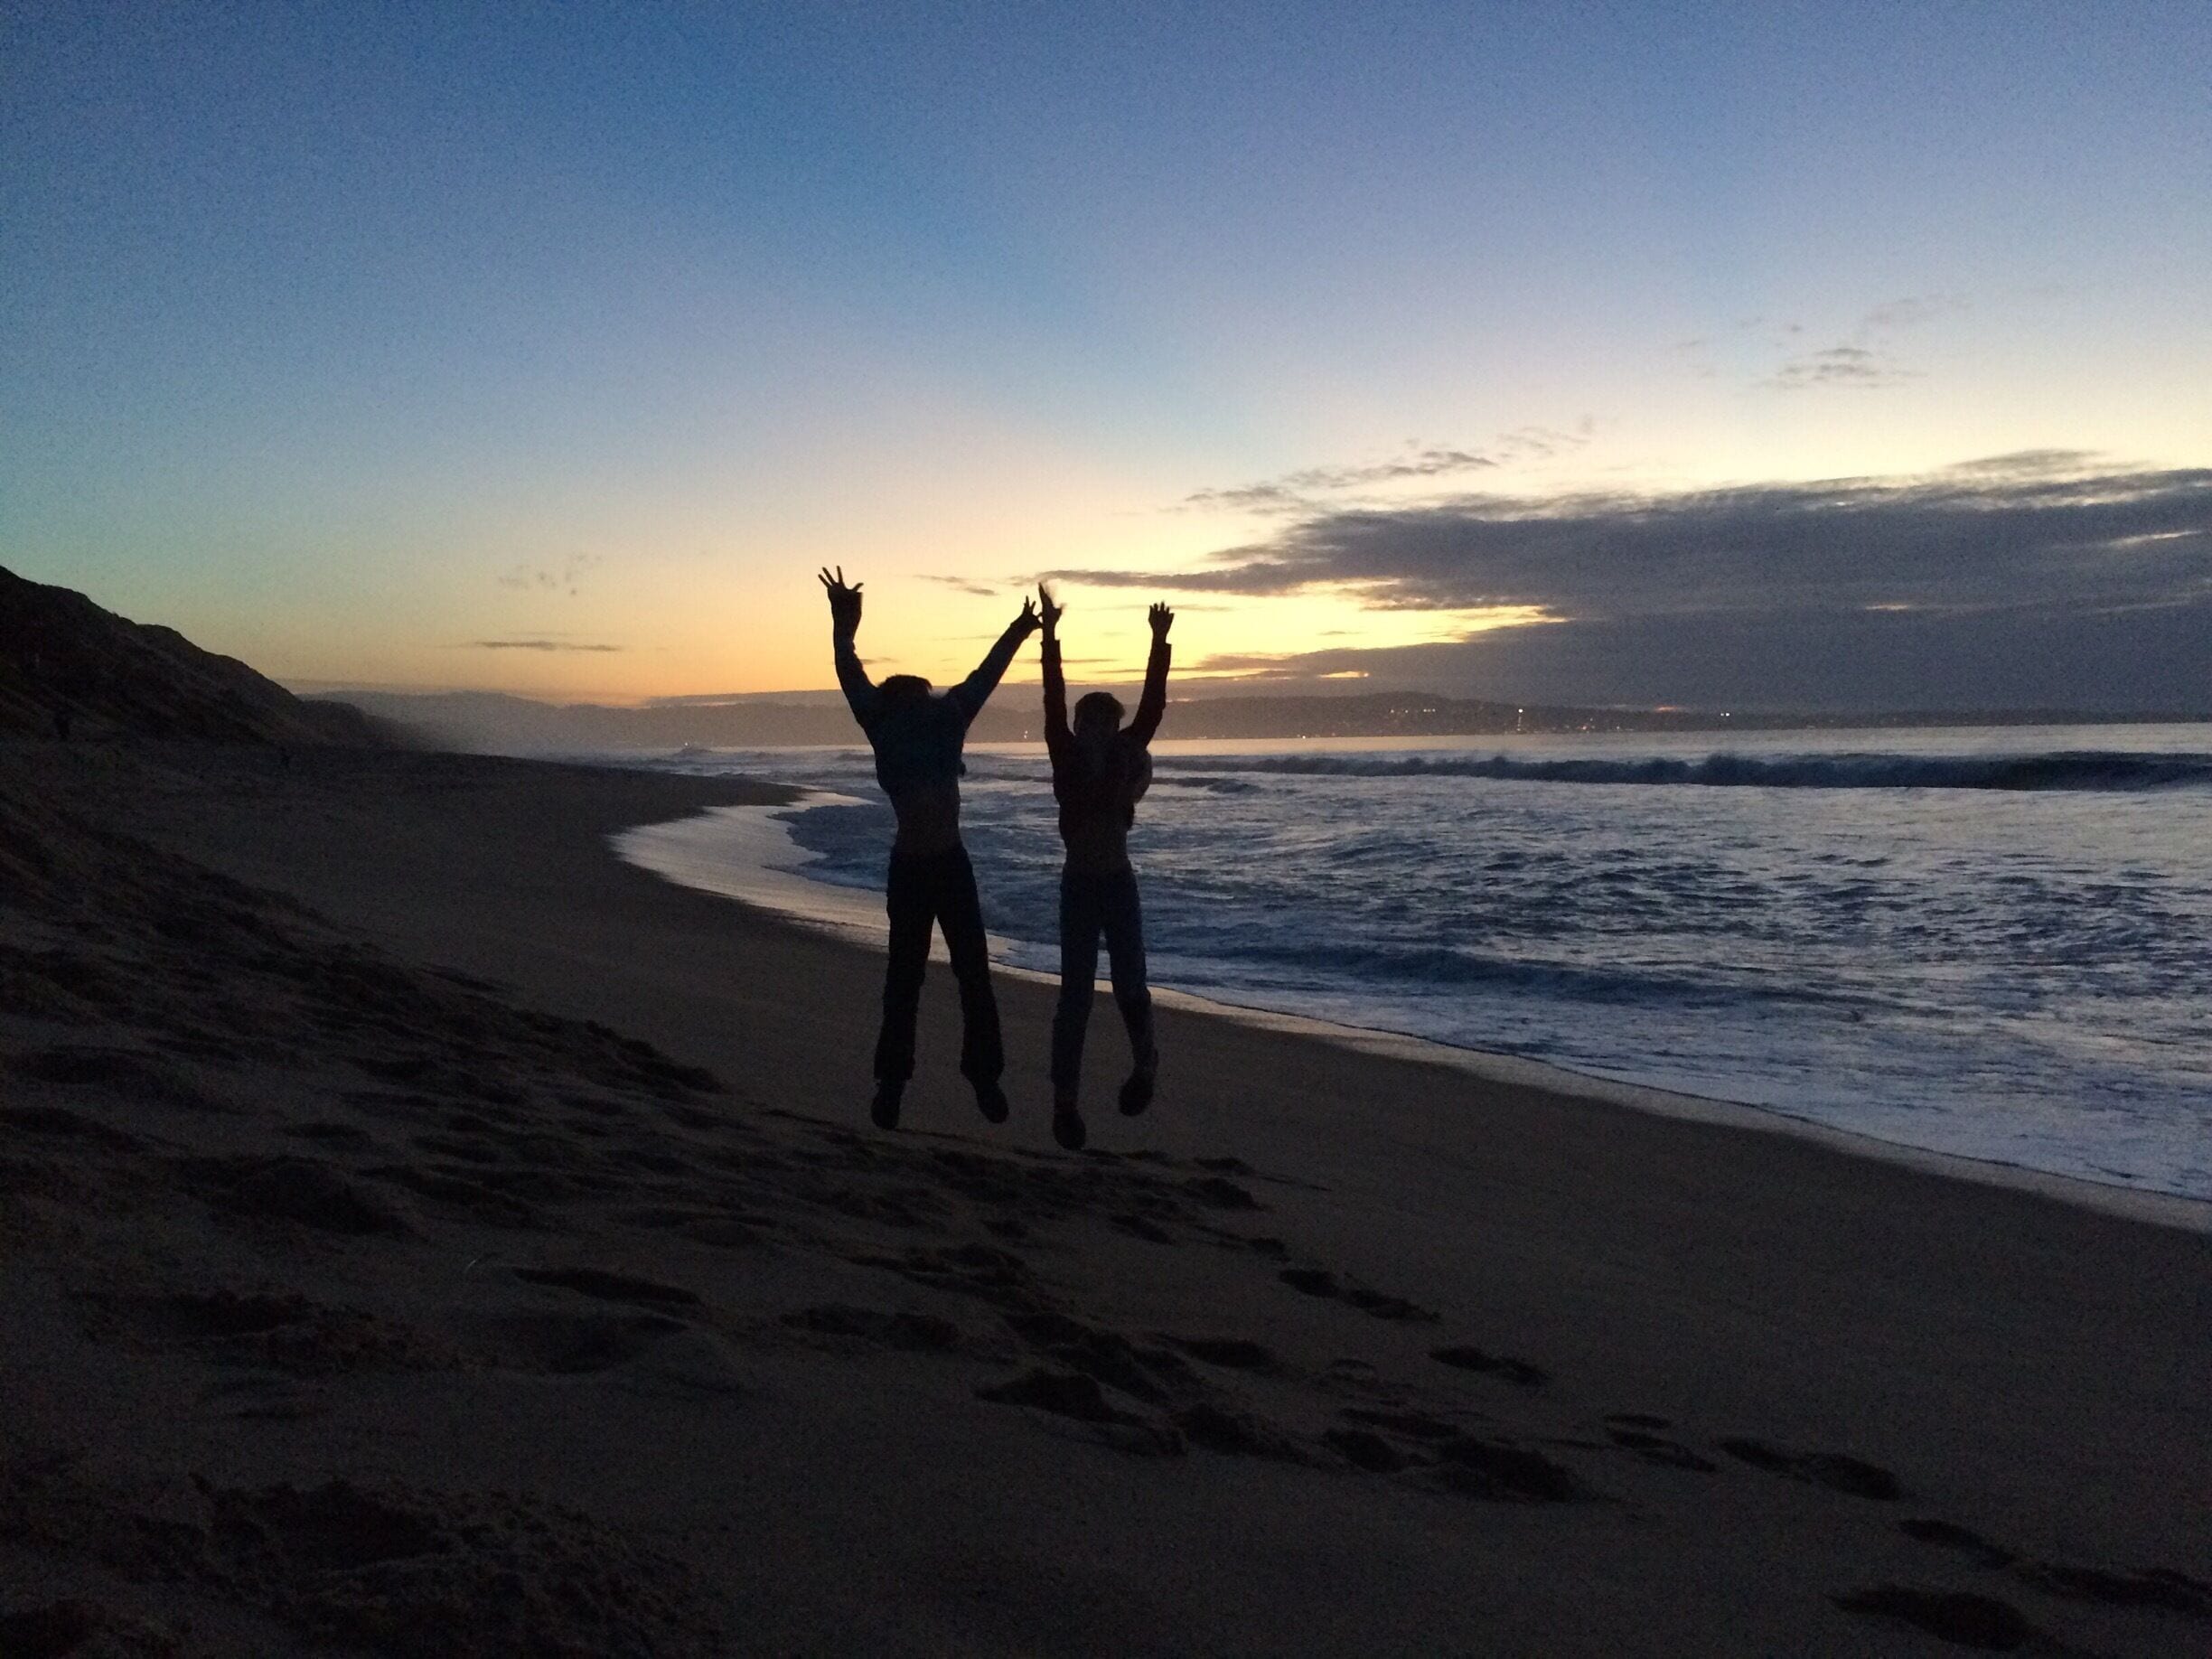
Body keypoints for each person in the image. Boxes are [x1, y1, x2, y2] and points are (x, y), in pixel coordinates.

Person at [820, 566, 1040, 1130]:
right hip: (922, 867)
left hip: (942, 865)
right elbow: (853, 673)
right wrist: (842, 626)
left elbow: (983, 676)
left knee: (957, 975)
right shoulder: (903, 721)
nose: (926, 698)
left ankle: (972, 1077)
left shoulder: (931, 719)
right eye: (919, 694)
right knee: (916, 979)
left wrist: (1019, 631)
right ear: (906, 698)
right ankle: (896, 1084)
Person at [1037, 584, 1172, 1150]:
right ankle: (1064, 1103)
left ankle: (1145, 1065)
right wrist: (1048, 637)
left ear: (1112, 727)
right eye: (1086, 720)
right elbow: (1051, 696)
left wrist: (1159, 642)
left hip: (1117, 883)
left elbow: (1153, 705)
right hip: (1079, 886)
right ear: (1078, 724)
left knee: (1128, 986)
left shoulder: (1125, 752)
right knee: (1074, 996)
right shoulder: (1063, 752)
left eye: (1102, 721)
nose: (1093, 728)